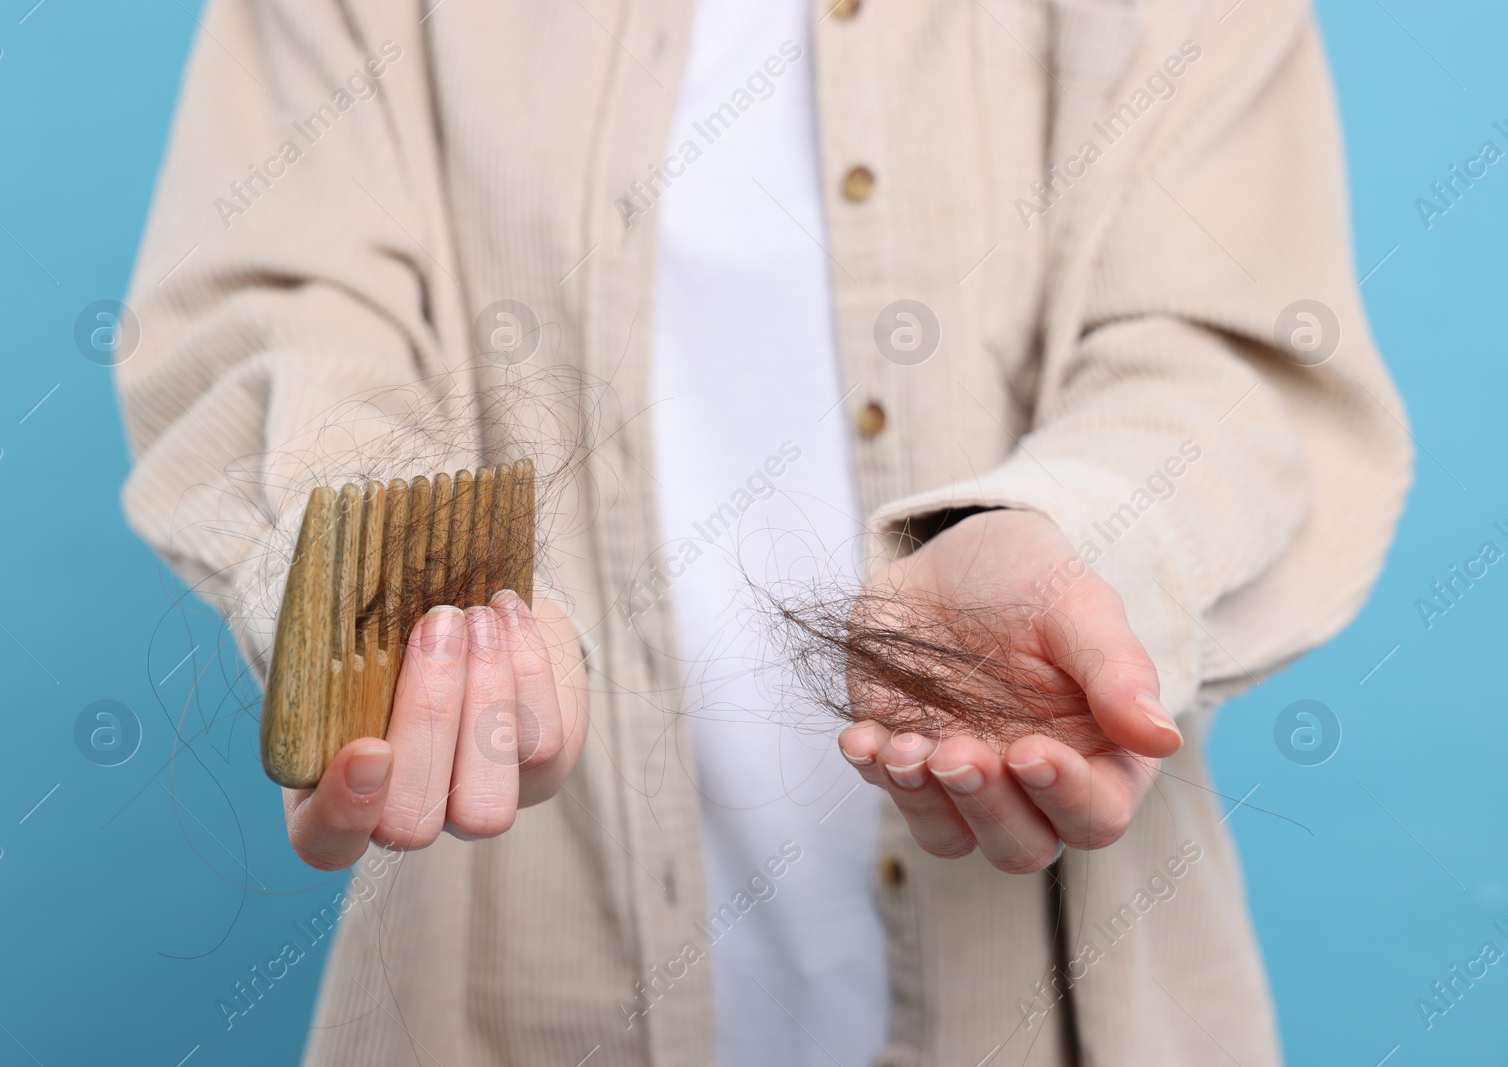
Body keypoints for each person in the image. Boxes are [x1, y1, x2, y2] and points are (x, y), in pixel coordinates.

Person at [116, 0, 1410, 1063]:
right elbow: (272, 317)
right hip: (507, 988)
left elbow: (1226, 359)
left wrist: (1070, 541)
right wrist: (404, 618)